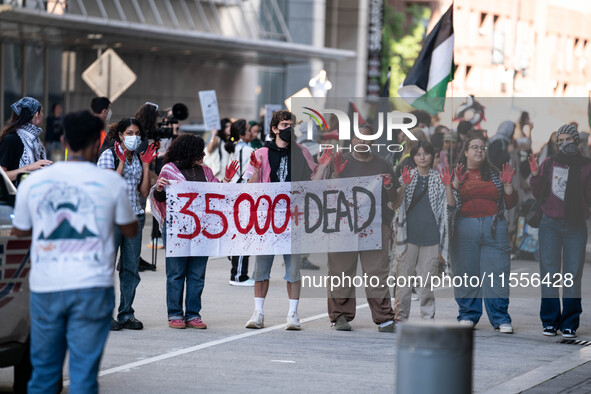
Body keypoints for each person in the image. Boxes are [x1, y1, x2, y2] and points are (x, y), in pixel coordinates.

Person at [12, 110, 138, 393]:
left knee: (43, 374)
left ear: (63, 139)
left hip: (46, 287)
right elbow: (130, 229)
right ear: (97, 142)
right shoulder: (110, 183)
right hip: (92, 287)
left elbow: (20, 231)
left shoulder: (35, 183)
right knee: (83, 377)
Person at [243, 110, 327, 330]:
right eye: (284, 125)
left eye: (291, 125)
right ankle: (258, 313)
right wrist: (257, 171)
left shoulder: (302, 152)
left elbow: (314, 185)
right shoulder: (260, 153)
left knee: (293, 271)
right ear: (274, 129)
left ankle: (292, 315)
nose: (288, 129)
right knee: (261, 271)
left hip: (293, 220)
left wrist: (325, 165)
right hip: (267, 220)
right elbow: (249, 190)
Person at [150, 134, 238, 329]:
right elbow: (160, 198)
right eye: (199, 151)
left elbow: (218, 194)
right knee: (176, 272)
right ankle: (175, 314)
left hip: (202, 230)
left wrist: (228, 179)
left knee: (197, 273)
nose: (204, 154)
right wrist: (159, 189)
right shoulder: (169, 170)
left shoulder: (206, 172)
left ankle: (192, 314)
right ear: (189, 152)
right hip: (177, 230)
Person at [325, 123, 398, 332]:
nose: (363, 142)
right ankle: (340, 316)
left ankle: (384, 317)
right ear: (352, 141)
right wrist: (336, 175)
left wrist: (389, 186)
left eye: (367, 138)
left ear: (373, 141)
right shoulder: (340, 160)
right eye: (359, 138)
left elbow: (392, 198)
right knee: (340, 271)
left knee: (377, 272)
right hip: (343, 225)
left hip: (375, 226)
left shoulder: (383, 164)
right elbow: (326, 191)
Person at [529, 124, 591, 338]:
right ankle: (549, 321)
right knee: (549, 274)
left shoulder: (587, 166)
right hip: (550, 225)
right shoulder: (549, 163)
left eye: (568, 139)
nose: (565, 143)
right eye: (560, 140)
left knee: (572, 275)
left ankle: (570, 323)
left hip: (576, 225)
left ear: (576, 140)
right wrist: (535, 175)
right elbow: (539, 193)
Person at [451, 133, 517, 333]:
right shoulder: (457, 173)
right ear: (465, 152)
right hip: (464, 229)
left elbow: (511, 203)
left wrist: (507, 186)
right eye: (474, 147)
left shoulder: (495, 175)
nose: (479, 150)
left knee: (497, 275)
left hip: (494, 229)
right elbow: (448, 204)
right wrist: (455, 184)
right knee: (466, 274)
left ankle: (500, 318)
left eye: (482, 148)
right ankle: (468, 314)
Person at [98, 118, 157, 331]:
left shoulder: (138, 158)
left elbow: (143, 193)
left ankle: (126, 313)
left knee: (131, 268)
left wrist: (147, 164)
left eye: (137, 133)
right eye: (130, 133)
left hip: (135, 217)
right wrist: (121, 162)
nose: (135, 137)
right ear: (120, 135)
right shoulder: (108, 155)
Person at [392, 141, 455, 324]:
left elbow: (450, 207)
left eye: (426, 154)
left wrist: (449, 186)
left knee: (427, 284)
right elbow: (395, 206)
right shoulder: (407, 176)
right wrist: (403, 185)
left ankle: (428, 318)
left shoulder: (438, 178)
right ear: (412, 157)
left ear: (433, 156)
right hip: (407, 237)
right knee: (403, 282)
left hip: (432, 238)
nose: (422, 157)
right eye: (418, 154)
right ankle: (400, 316)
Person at [225, 119, 255, 286]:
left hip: (232, 195)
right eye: (249, 130)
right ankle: (239, 275)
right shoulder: (248, 150)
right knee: (244, 234)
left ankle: (238, 272)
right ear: (242, 134)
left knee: (239, 233)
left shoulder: (232, 148)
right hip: (243, 197)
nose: (252, 132)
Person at [0, 97, 53, 182]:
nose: (43, 115)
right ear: (36, 114)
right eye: (42, 112)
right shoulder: (10, 139)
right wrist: (29, 168)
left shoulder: (35, 141)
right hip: (15, 194)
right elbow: (2, 175)